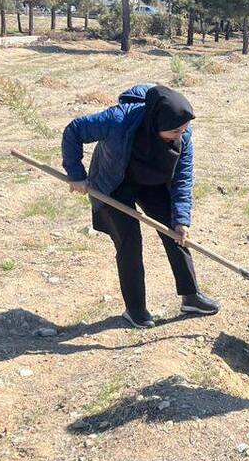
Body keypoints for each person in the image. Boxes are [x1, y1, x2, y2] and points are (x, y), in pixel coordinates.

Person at [61, 84, 219, 328]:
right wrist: (76, 173)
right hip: (115, 183)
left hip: (153, 183)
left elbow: (183, 179)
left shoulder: (184, 135)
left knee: (176, 233)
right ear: (155, 124)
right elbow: (74, 130)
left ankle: (191, 296)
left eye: (184, 129)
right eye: (175, 130)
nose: (182, 134)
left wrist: (182, 219)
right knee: (130, 242)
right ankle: (135, 309)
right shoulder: (118, 119)